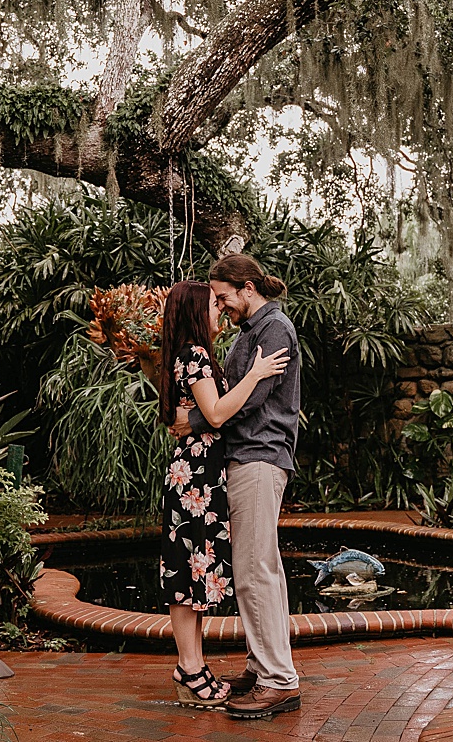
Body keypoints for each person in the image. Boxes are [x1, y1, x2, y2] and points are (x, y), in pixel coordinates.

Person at [172, 253, 303, 719]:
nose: (222, 307)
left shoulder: (274, 330)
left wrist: (192, 418)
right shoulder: (253, 332)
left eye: (225, 298)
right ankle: (262, 665)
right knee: (258, 567)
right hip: (244, 458)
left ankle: (278, 681)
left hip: (259, 458)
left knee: (254, 571)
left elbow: (248, 402)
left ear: (247, 287)